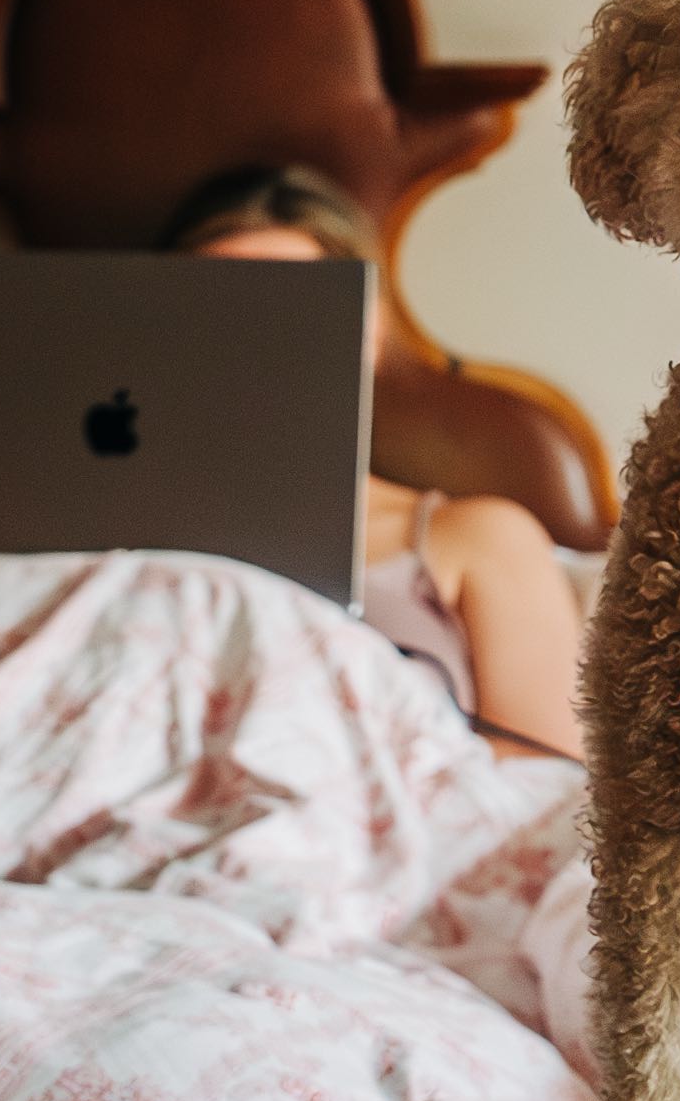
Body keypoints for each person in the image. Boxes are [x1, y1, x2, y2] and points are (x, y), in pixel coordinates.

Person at [161, 165, 585, 762]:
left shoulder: (476, 538)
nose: (253, 352)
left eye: (291, 317)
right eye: (218, 315)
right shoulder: (89, 536)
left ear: (370, 332)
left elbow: (549, 792)